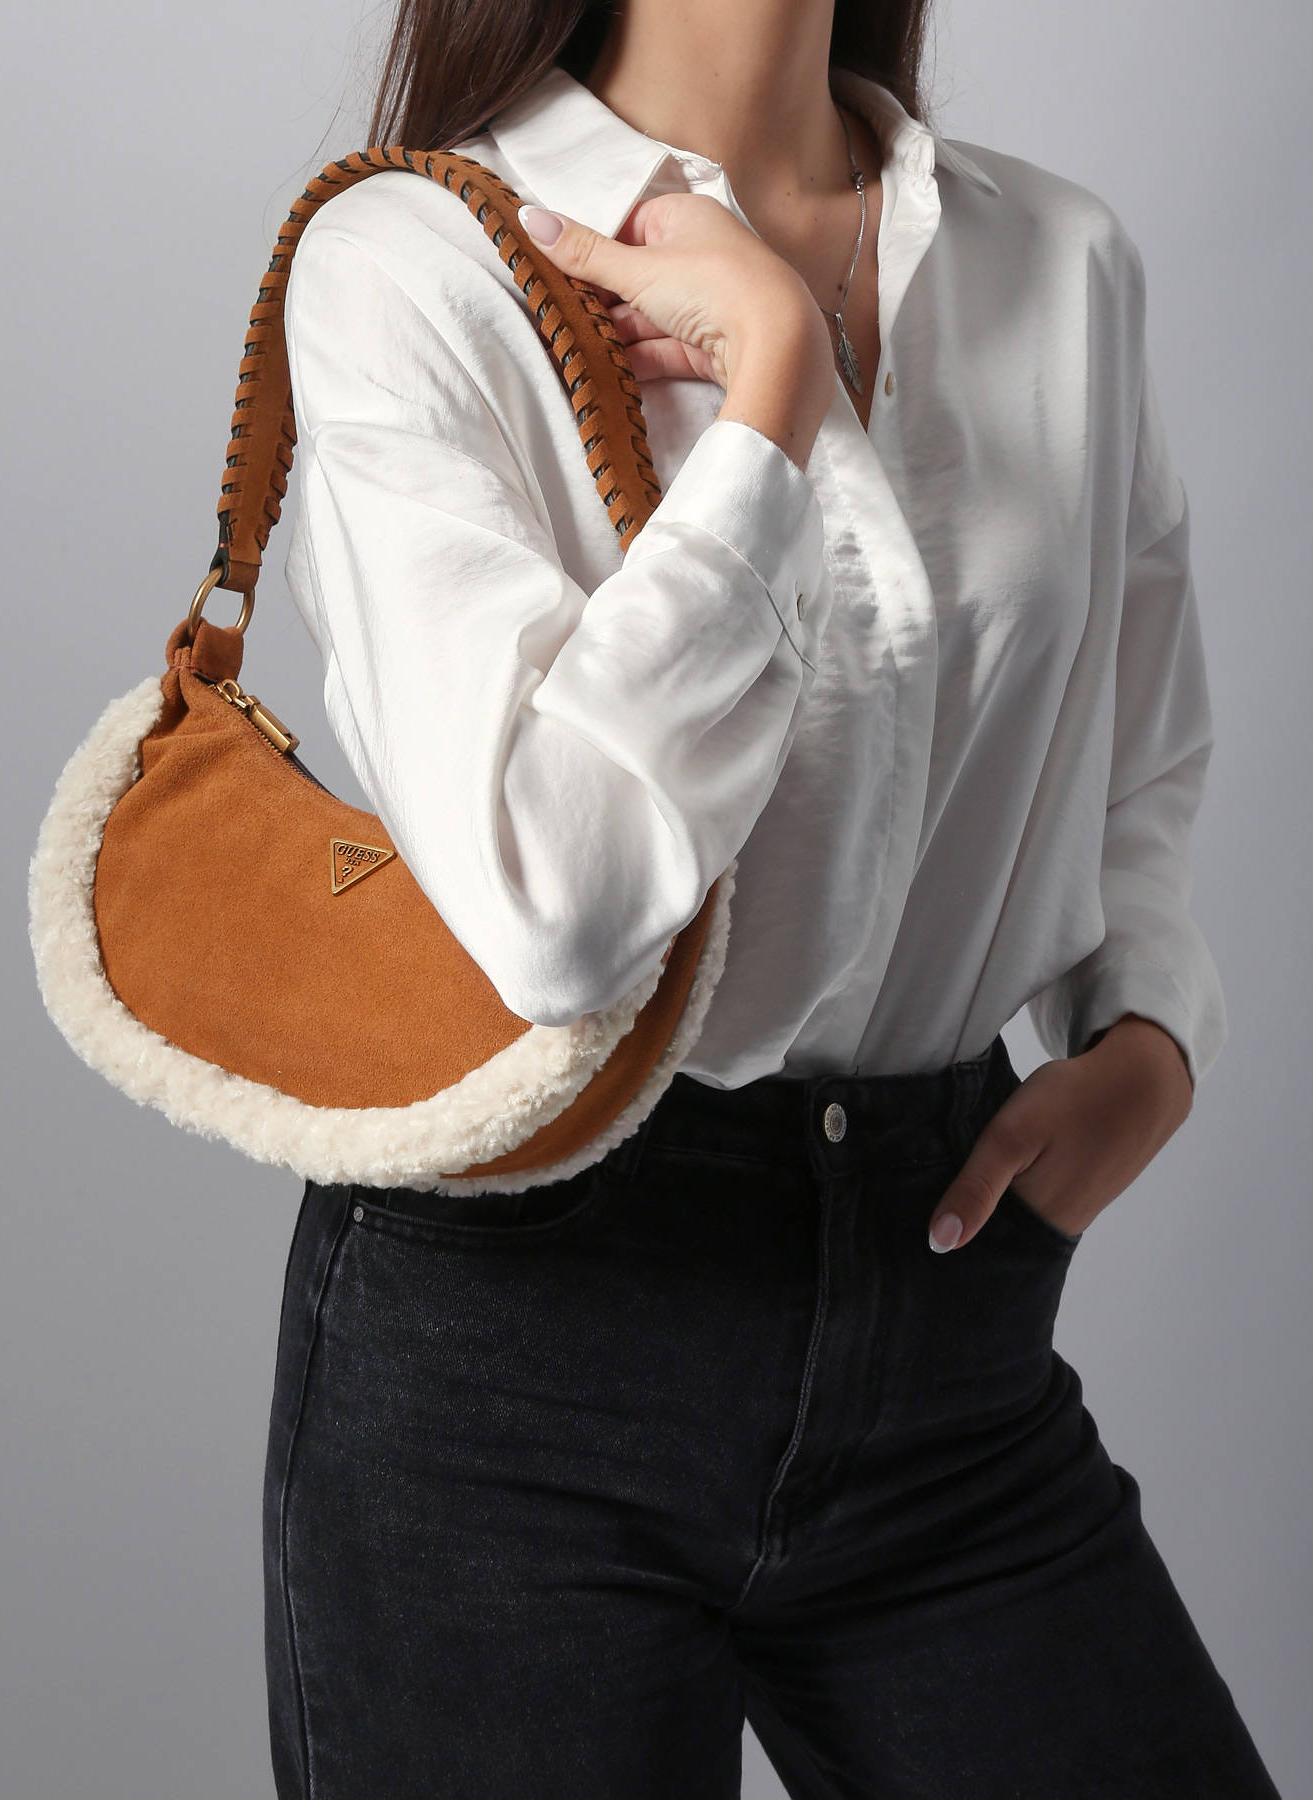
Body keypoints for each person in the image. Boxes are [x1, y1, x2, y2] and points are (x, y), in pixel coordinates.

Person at [261, 2, 1283, 1794]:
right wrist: (769, 405)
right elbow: (557, 908)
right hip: (515, 1363)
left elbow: (1134, 734)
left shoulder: (1056, 259)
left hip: (944, 1334)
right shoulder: (415, 260)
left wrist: (1150, 1029)